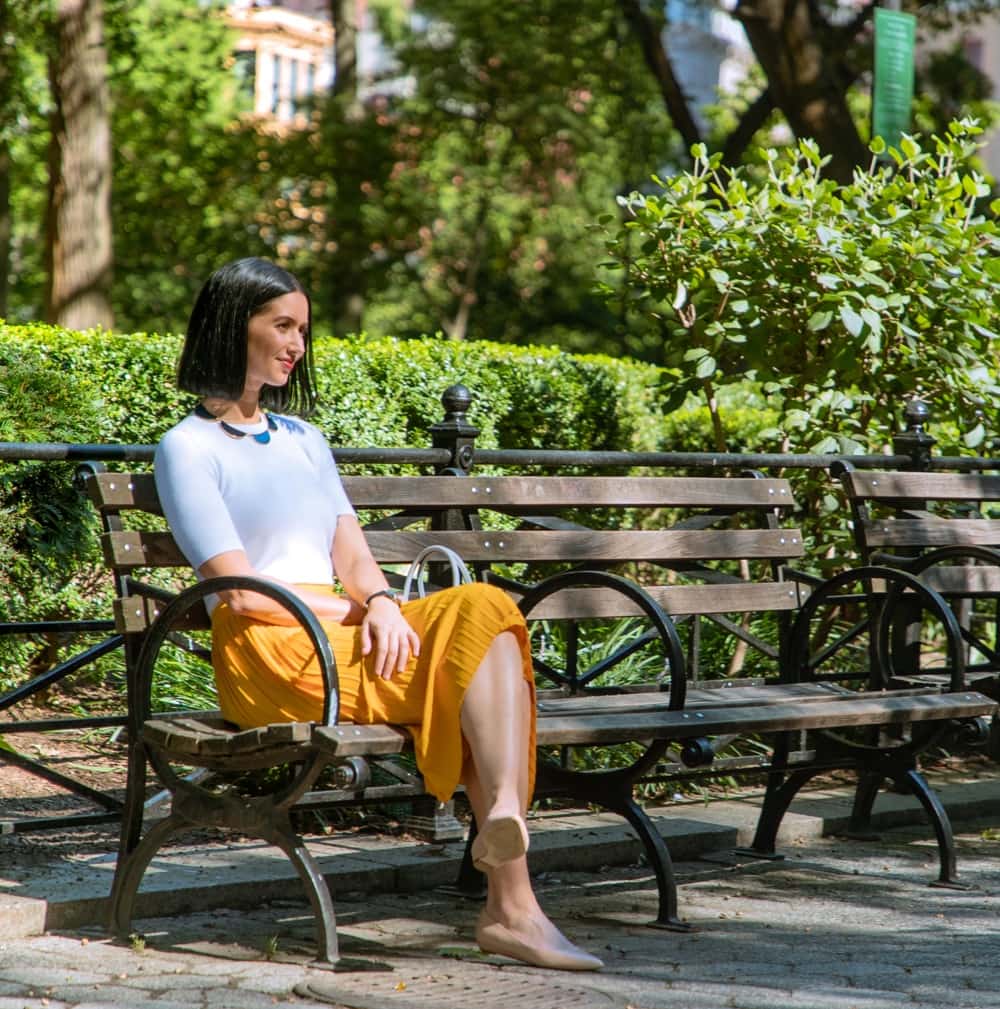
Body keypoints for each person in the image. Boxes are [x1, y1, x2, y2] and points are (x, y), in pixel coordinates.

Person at [154, 257, 602, 972]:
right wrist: (362, 614)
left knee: (485, 610)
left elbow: (357, 561)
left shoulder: (305, 440)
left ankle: (506, 824)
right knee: (473, 673)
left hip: (342, 630)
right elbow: (238, 592)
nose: (297, 342)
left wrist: (387, 603)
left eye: (303, 327)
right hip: (276, 647)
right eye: (282, 325)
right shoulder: (186, 448)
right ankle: (513, 906)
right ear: (232, 326)